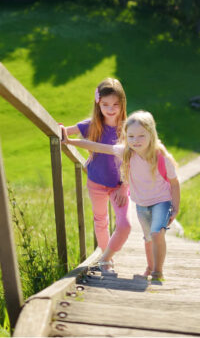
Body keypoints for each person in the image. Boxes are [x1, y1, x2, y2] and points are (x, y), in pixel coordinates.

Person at [61, 110, 180, 281]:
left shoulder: (161, 157)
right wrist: (70, 141)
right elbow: (98, 147)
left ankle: (157, 272)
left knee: (156, 234)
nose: (135, 140)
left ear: (151, 135)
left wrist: (175, 207)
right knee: (148, 238)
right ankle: (150, 266)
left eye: (141, 136)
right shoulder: (126, 152)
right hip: (142, 204)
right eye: (131, 136)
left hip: (162, 201)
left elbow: (174, 183)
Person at [62, 78, 130, 274]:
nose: (111, 109)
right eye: (105, 104)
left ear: (122, 104)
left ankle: (108, 254)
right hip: (96, 182)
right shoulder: (91, 125)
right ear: (98, 103)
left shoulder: (128, 128)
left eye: (116, 104)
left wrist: (124, 187)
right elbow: (65, 131)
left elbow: (131, 159)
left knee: (125, 224)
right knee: (101, 220)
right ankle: (105, 260)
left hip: (119, 185)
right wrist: (60, 130)